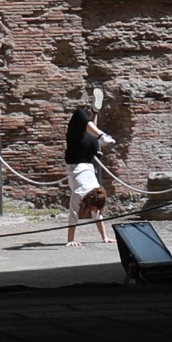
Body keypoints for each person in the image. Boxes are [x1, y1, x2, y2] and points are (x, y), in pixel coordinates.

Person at [64, 103, 115, 245]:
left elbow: (76, 215)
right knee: (80, 115)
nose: (95, 211)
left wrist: (105, 237)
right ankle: (100, 133)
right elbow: (74, 215)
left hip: (80, 155)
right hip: (85, 157)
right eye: (95, 208)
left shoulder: (90, 191)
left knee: (79, 114)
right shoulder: (92, 191)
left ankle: (95, 116)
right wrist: (71, 240)